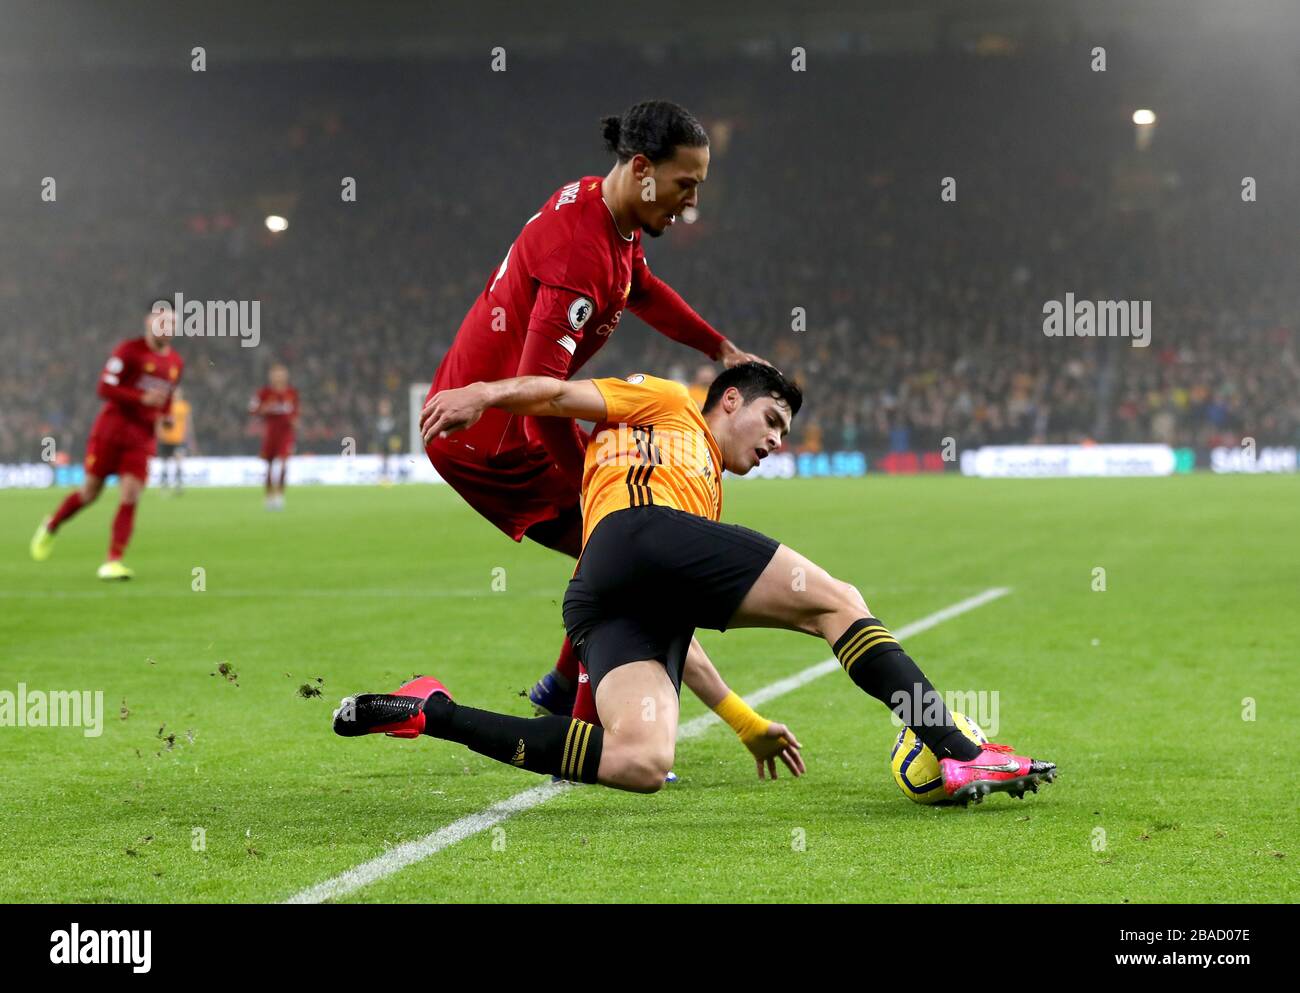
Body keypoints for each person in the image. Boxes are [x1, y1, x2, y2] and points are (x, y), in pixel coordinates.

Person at [334, 364, 1057, 804]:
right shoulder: (669, 402)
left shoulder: (704, 499)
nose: (776, 441)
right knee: (838, 602)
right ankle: (961, 750)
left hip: (604, 586)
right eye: (771, 420)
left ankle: (432, 709)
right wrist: (484, 394)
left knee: (640, 761)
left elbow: (686, 627)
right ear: (730, 400)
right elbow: (558, 394)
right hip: (635, 533)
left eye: (786, 433)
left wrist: (745, 721)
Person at [421, 99, 796, 772]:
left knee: (630, 552)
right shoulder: (578, 258)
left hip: (502, 423)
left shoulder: (604, 212)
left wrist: (721, 348)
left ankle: (567, 690)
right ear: (645, 170)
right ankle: (577, 703)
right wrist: (601, 483)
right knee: (634, 554)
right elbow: (540, 400)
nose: (690, 204)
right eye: (687, 185)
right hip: (493, 440)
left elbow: (644, 290)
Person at [30, 304, 184, 580]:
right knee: (90, 493)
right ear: (149, 323)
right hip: (111, 432)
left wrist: (166, 417)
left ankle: (113, 560)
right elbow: (104, 387)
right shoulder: (128, 351)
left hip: (142, 438)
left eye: (172, 324)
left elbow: (167, 399)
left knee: (131, 494)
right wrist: (141, 399)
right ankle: (52, 525)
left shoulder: (175, 363)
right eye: (163, 322)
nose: (167, 328)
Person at [249, 364, 298, 510]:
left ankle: (280, 495)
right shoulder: (263, 393)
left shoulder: (292, 393)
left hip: (286, 433)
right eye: (276, 374)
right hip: (270, 433)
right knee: (269, 466)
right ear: (271, 377)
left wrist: (294, 421)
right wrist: (263, 409)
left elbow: (296, 412)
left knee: (283, 463)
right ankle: (269, 495)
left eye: (281, 374)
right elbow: (253, 410)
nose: (279, 377)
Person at [156, 385, 194, 494]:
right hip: (166, 439)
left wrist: (189, 438)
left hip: (179, 440)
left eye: (178, 392)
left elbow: (188, 423)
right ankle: (164, 486)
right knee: (165, 463)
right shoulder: (165, 406)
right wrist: (160, 433)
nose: (176, 394)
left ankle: (178, 486)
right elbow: (160, 421)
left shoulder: (184, 406)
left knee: (179, 462)